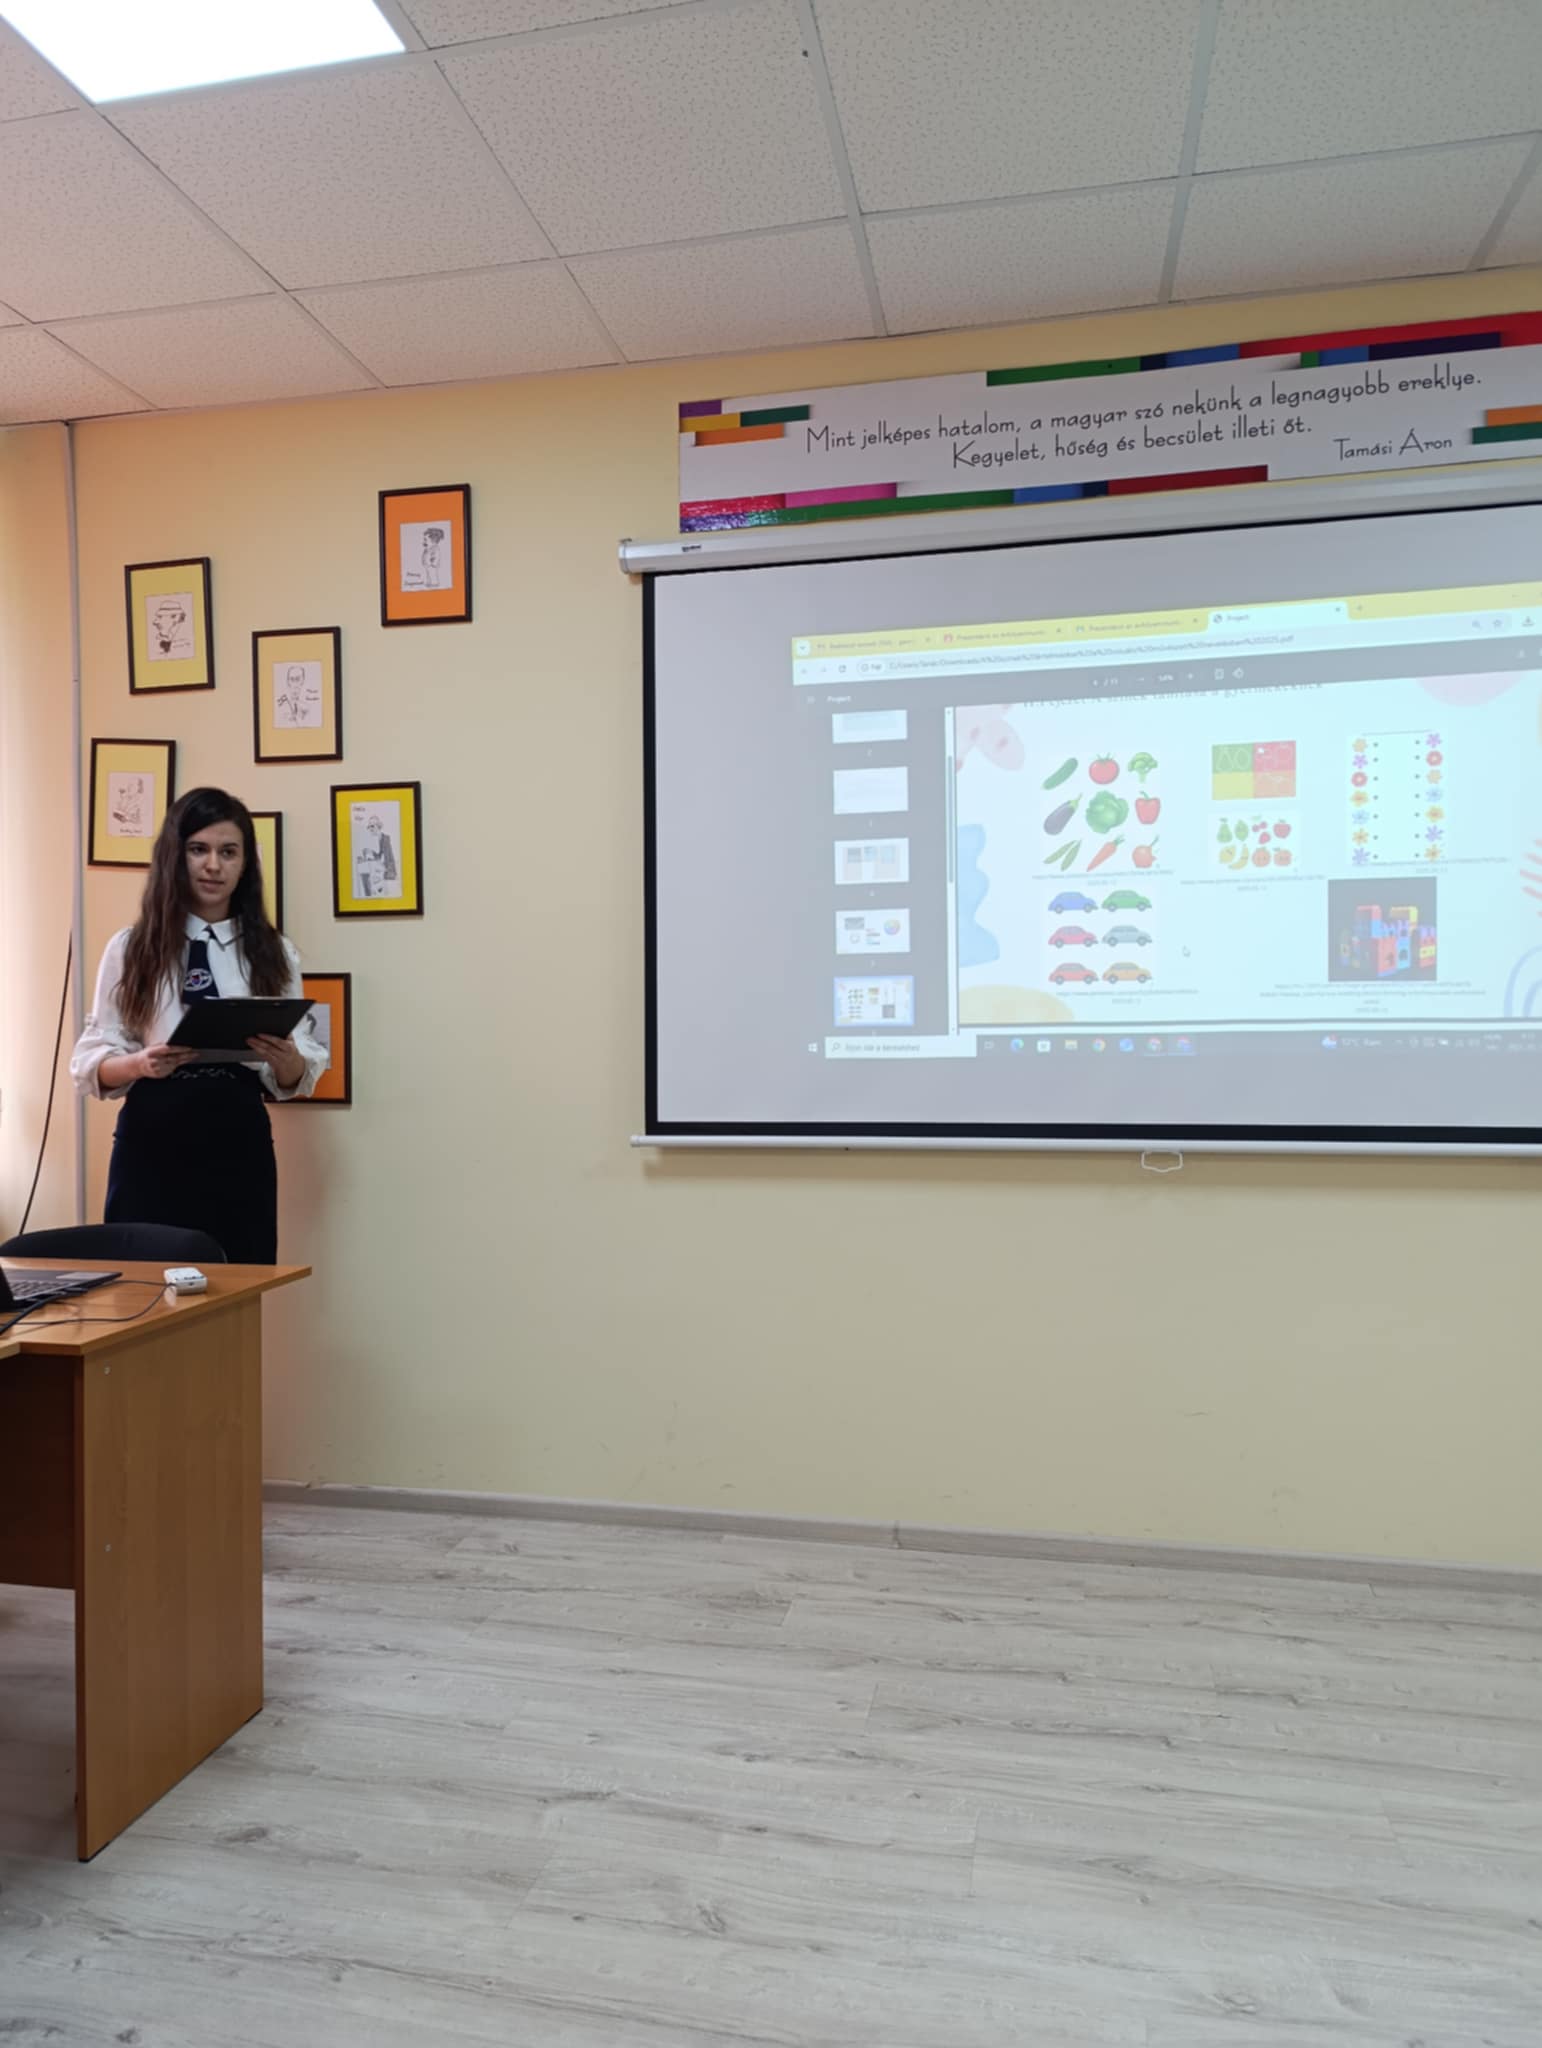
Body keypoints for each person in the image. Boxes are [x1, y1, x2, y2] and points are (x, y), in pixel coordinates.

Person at [71, 788, 327, 1263]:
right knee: (143, 1283)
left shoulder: (274, 952)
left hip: (237, 1136)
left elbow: (297, 1073)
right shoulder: (131, 948)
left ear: (245, 865)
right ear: (175, 856)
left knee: (238, 1280)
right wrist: (139, 1064)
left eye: (228, 852)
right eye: (198, 849)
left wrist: (288, 1059)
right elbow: (91, 1062)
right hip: (152, 1136)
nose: (213, 865)